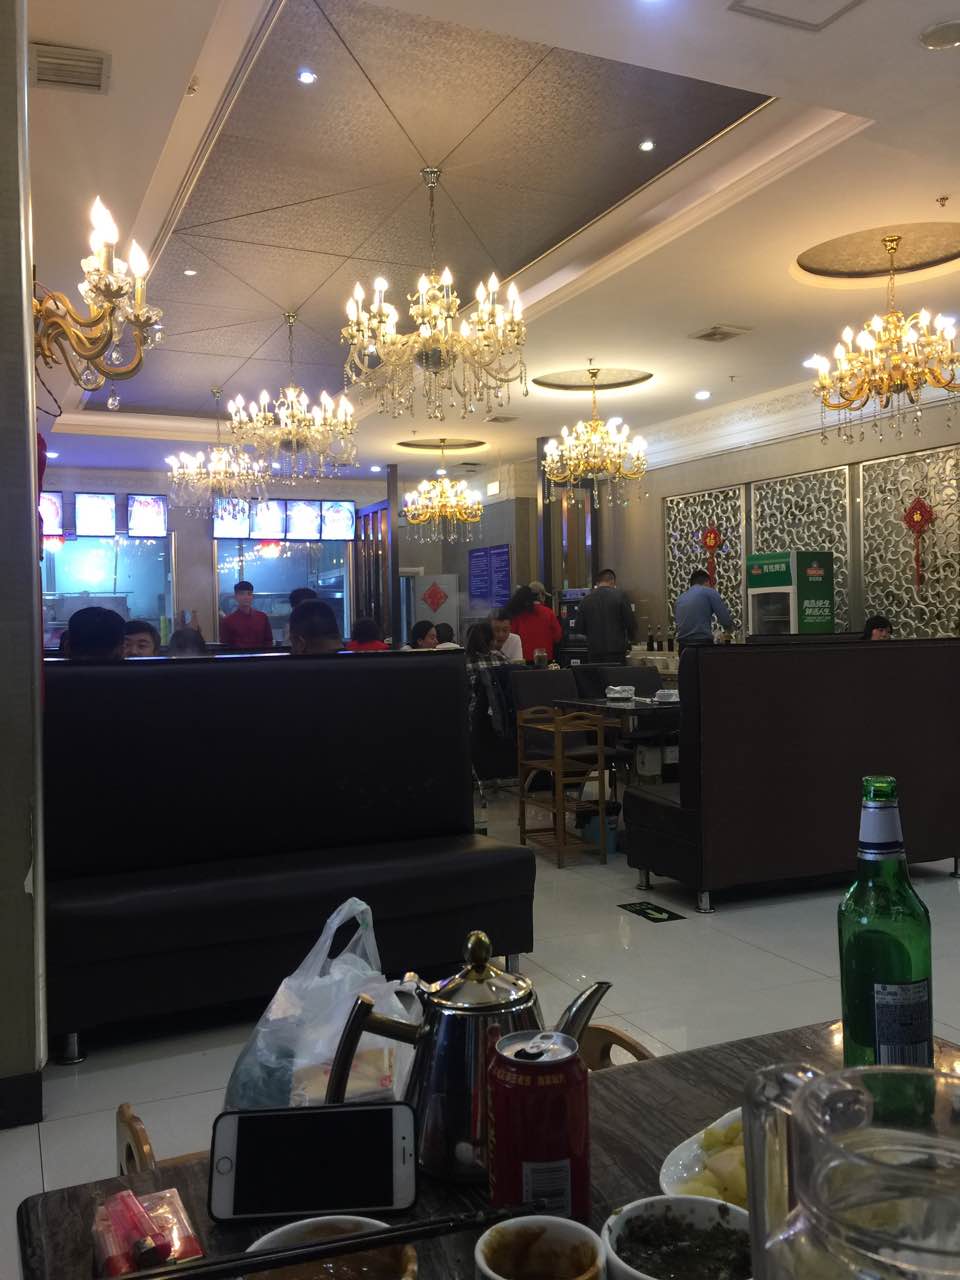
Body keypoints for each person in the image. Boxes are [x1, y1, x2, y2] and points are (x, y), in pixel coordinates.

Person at [576, 568, 637, 663]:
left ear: (598, 583)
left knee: (597, 673)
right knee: (615, 673)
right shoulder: (621, 596)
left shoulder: (585, 600)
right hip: (616, 652)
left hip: (594, 653)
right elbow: (630, 623)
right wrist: (631, 640)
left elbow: (579, 629)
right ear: (612, 582)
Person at [674, 569, 734, 652]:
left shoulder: (680, 598)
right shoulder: (709, 592)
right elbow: (725, 620)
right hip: (701, 645)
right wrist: (729, 630)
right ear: (707, 582)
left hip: (682, 647)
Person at [504, 584, 562, 663]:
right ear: (540, 596)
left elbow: (511, 635)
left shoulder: (518, 613)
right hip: (545, 659)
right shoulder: (549, 613)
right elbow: (557, 637)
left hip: (522, 660)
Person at [464, 620, 507, 723]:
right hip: (501, 717)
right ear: (491, 641)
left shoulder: (463, 662)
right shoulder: (500, 658)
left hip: (473, 717)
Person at [219, 580, 273, 650]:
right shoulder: (228, 621)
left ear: (252, 596)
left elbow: (269, 642)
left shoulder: (263, 617)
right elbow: (224, 647)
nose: (246, 597)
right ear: (236, 597)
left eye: (249, 594)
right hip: (238, 656)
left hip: (260, 656)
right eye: (242, 594)